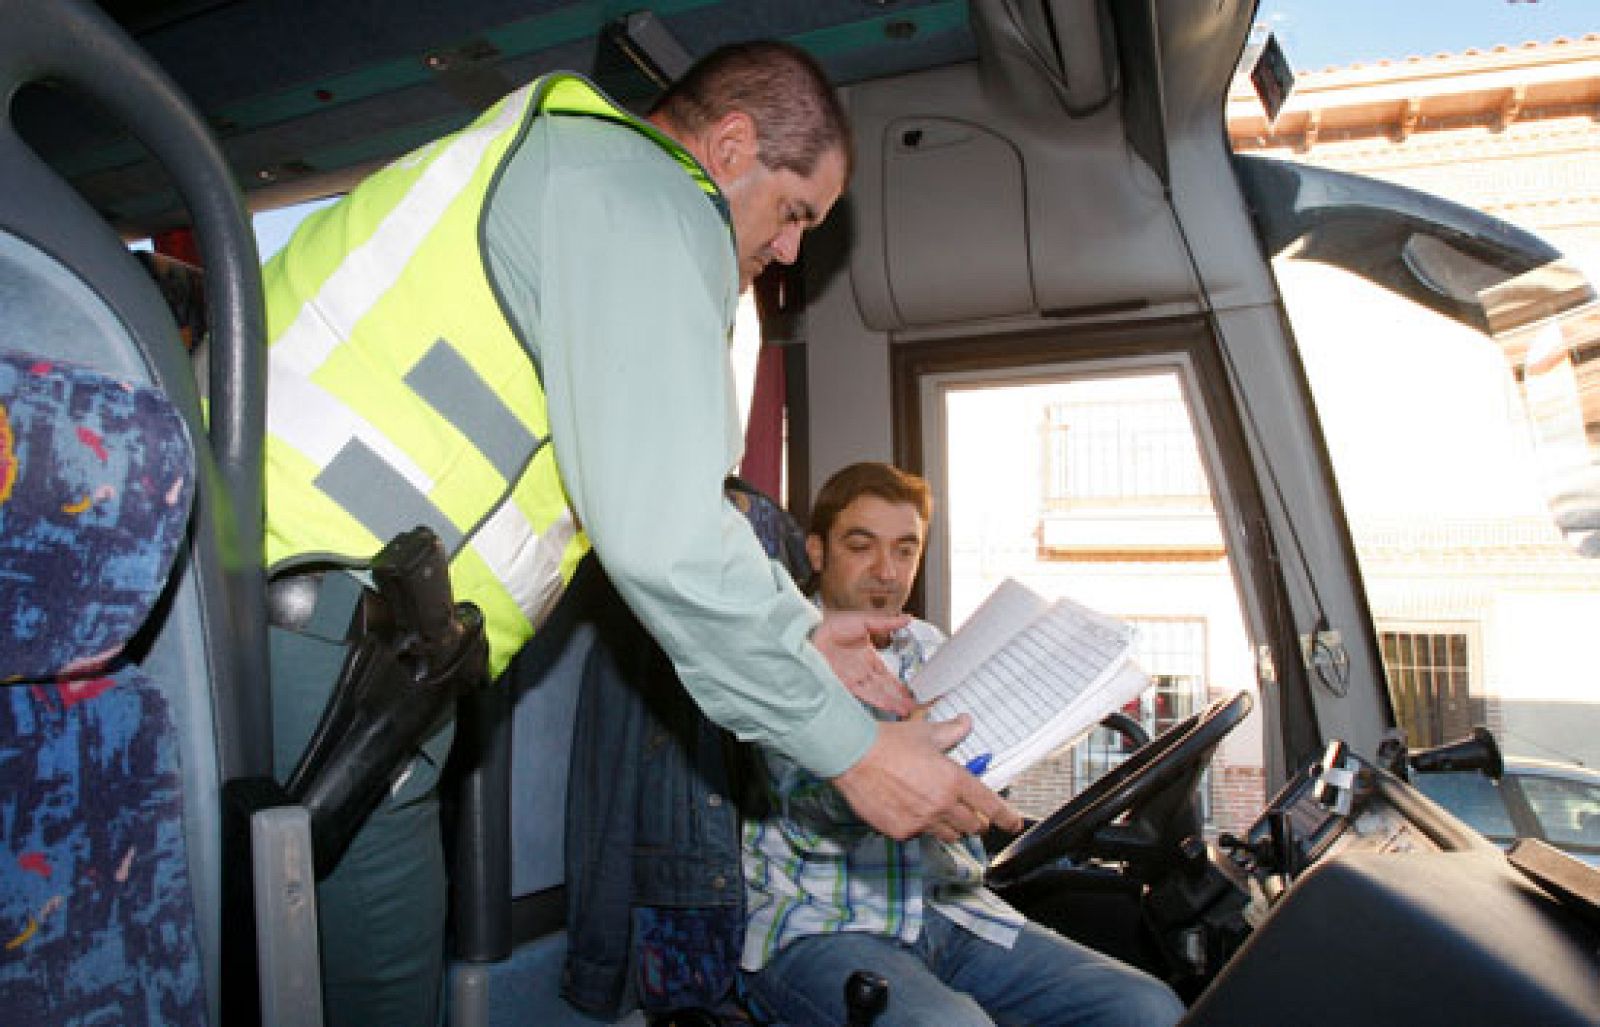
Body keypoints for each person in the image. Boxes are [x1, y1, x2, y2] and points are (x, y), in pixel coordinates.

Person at [261, 42, 1019, 1025]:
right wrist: (853, 753)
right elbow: (663, 538)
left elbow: (664, 497)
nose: (790, 252)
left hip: (351, 634)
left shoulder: (579, 185)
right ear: (732, 144)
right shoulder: (645, 191)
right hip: (324, 626)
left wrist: (799, 634)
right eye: (795, 211)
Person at [739, 462, 1186, 1027]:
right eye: (862, 547)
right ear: (819, 552)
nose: (886, 571)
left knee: (1149, 1008)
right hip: (822, 923)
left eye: (905, 550)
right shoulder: (779, 654)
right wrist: (888, 759)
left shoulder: (930, 645)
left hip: (952, 912)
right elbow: (807, 814)